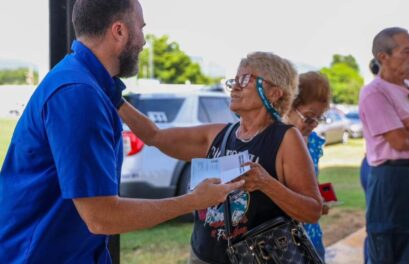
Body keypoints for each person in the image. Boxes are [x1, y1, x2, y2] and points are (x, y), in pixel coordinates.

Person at [0, 0, 244, 263]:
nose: (143, 41)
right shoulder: (79, 93)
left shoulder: (88, 80)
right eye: (141, 28)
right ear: (119, 31)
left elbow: (152, 134)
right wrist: (194, 200)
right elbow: (101, 216)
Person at [118, 51, 323, 263]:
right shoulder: (218, 135)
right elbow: (155, 136)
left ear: (274, 93)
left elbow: (312, 211)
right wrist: (116, 98)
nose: (235, 87)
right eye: (235, 80)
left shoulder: (286, 139)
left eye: (245, 79)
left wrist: (266, 183)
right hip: (202, 256)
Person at [359, 27, 409, 263]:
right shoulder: (374, 93)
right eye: (407, 51)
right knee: (389, 244)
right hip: (392, 178)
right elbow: (400, 141)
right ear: (383, 57)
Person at [284, 71, 332, 261]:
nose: (313, 125)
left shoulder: (312, 142)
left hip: (310, 233)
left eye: (319, 119)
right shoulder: (276, 141)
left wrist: (320, 200)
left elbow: (312, 183)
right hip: (284, 236)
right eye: (309, 117)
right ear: (289, 107)